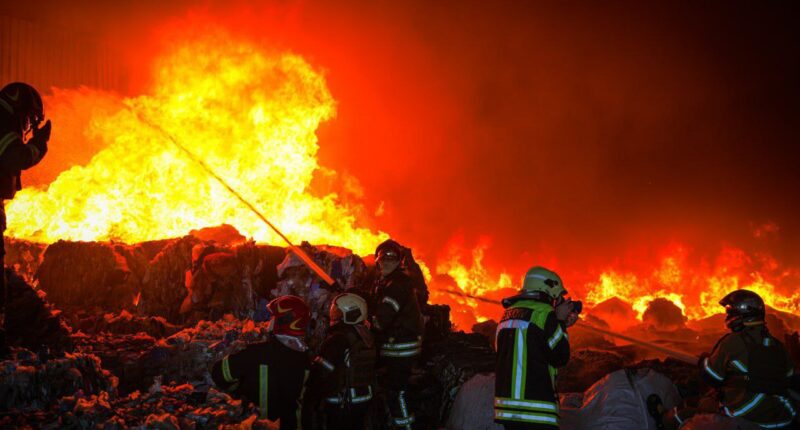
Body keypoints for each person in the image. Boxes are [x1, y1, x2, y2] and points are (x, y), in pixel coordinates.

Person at [649, 289, 797, 429]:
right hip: (782, 416)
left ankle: (664, 421)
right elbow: (788, 376)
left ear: (741, 315)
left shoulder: (733, 341)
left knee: (688, 412)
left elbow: (712, 376)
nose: (728, 316)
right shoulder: (778, 345)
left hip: (748, 416)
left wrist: (704, 361)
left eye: (730, 312)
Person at [494, 266, 579, 430]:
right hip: (537, 410)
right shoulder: (545, 314)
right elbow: (561, 356)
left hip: (507, 411)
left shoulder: (506, 315)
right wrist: (560, 323)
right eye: (558, 297)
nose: (559, 301)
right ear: (548, 291)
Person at [0, 82, 50, 354]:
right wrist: (39, 145)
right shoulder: (2, 118)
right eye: (29, 116)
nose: (28, 123)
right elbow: (14, 158)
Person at [211, 295, 310, 429]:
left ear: (283, 321)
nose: (270, 321)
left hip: (259, 424)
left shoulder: (257, 352)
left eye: (273, 317)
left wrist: (240, 388)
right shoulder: (306, 360)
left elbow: (219, 373)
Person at [372, 239, 424, 429]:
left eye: (390, 260)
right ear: (377, 262)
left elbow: (381, 320)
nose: (385, 263)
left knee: (397, 392)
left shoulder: (396, 285)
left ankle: (405, 427)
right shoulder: (391, 282)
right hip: (399, 347)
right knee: (395, 391)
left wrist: (367, 322)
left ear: (399, 262)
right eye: (382, 260)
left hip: (400, 348)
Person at [303, 292, 376, 430]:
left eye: (337, 312)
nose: (333, 315)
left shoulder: (338, 339)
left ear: (349, 314)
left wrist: (310, 396)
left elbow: (322, 372)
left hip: (341, 401)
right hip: (364, 398)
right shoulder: (365, 335)